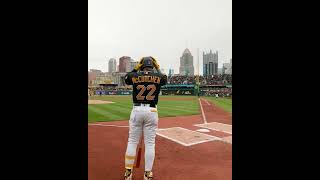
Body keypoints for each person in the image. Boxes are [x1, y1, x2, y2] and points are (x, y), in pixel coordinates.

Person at [123, 56, 167, 180]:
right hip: (152, 110)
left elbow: (126, 78)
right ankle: (147, 174)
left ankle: (128, 173)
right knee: (150, 144)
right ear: (153, 65)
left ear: (141, 66)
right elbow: (165, 78)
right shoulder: (158, 76)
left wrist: (136, 68)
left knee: (132, 142)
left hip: (137, 110)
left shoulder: (136, 75)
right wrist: (157, 67)